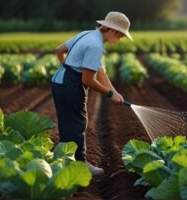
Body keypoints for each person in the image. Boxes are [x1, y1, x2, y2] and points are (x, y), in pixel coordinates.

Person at [51, 11, 133, 176]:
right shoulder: (95, 46)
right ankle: (79, 165)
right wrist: (110, 95)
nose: (120, 40)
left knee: (68, 124)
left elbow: (59, 50)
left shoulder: (88, 35)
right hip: (70, 84)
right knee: (77, 124)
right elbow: (87, 80)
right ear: (112, 31)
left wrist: (115, 92)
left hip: (60, 80)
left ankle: (66, 161)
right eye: (121, 36)